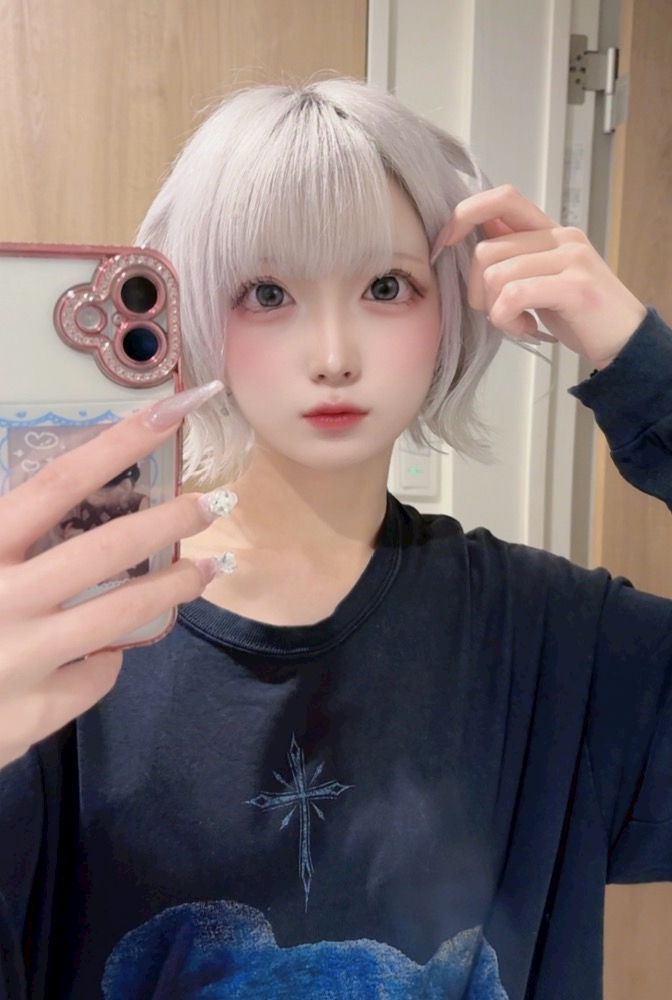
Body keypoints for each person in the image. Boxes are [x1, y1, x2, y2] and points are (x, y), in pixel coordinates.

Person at [0, 79, 670, 1000]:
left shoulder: (556, 643)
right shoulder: (68, 637)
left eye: (385, 287)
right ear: (191, 309)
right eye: (267, 292)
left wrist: (645, 371)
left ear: (451, 304)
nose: (332, 354)